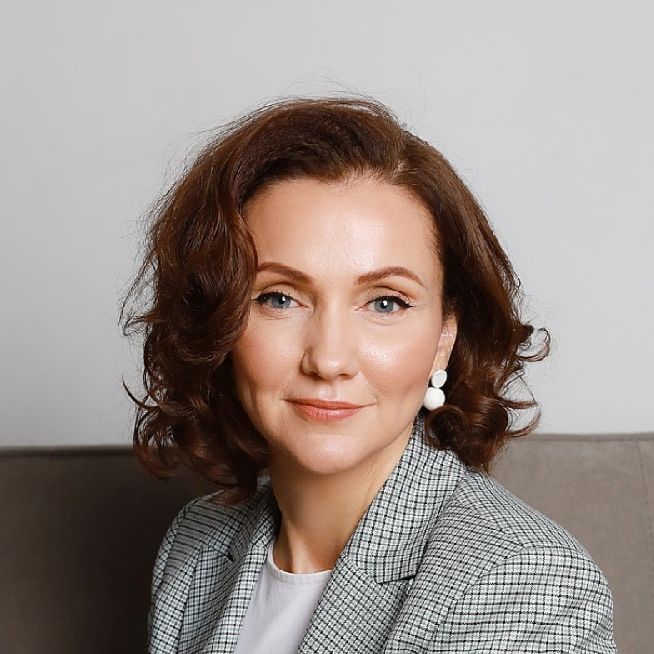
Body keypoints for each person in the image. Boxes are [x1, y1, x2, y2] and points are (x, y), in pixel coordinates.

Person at [120, 95, 617, 653]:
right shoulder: (197, 545)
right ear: (216, 324)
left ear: (444, 337)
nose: (329, 359)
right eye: (279, 297)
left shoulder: (524, 580)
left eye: (386, 303)